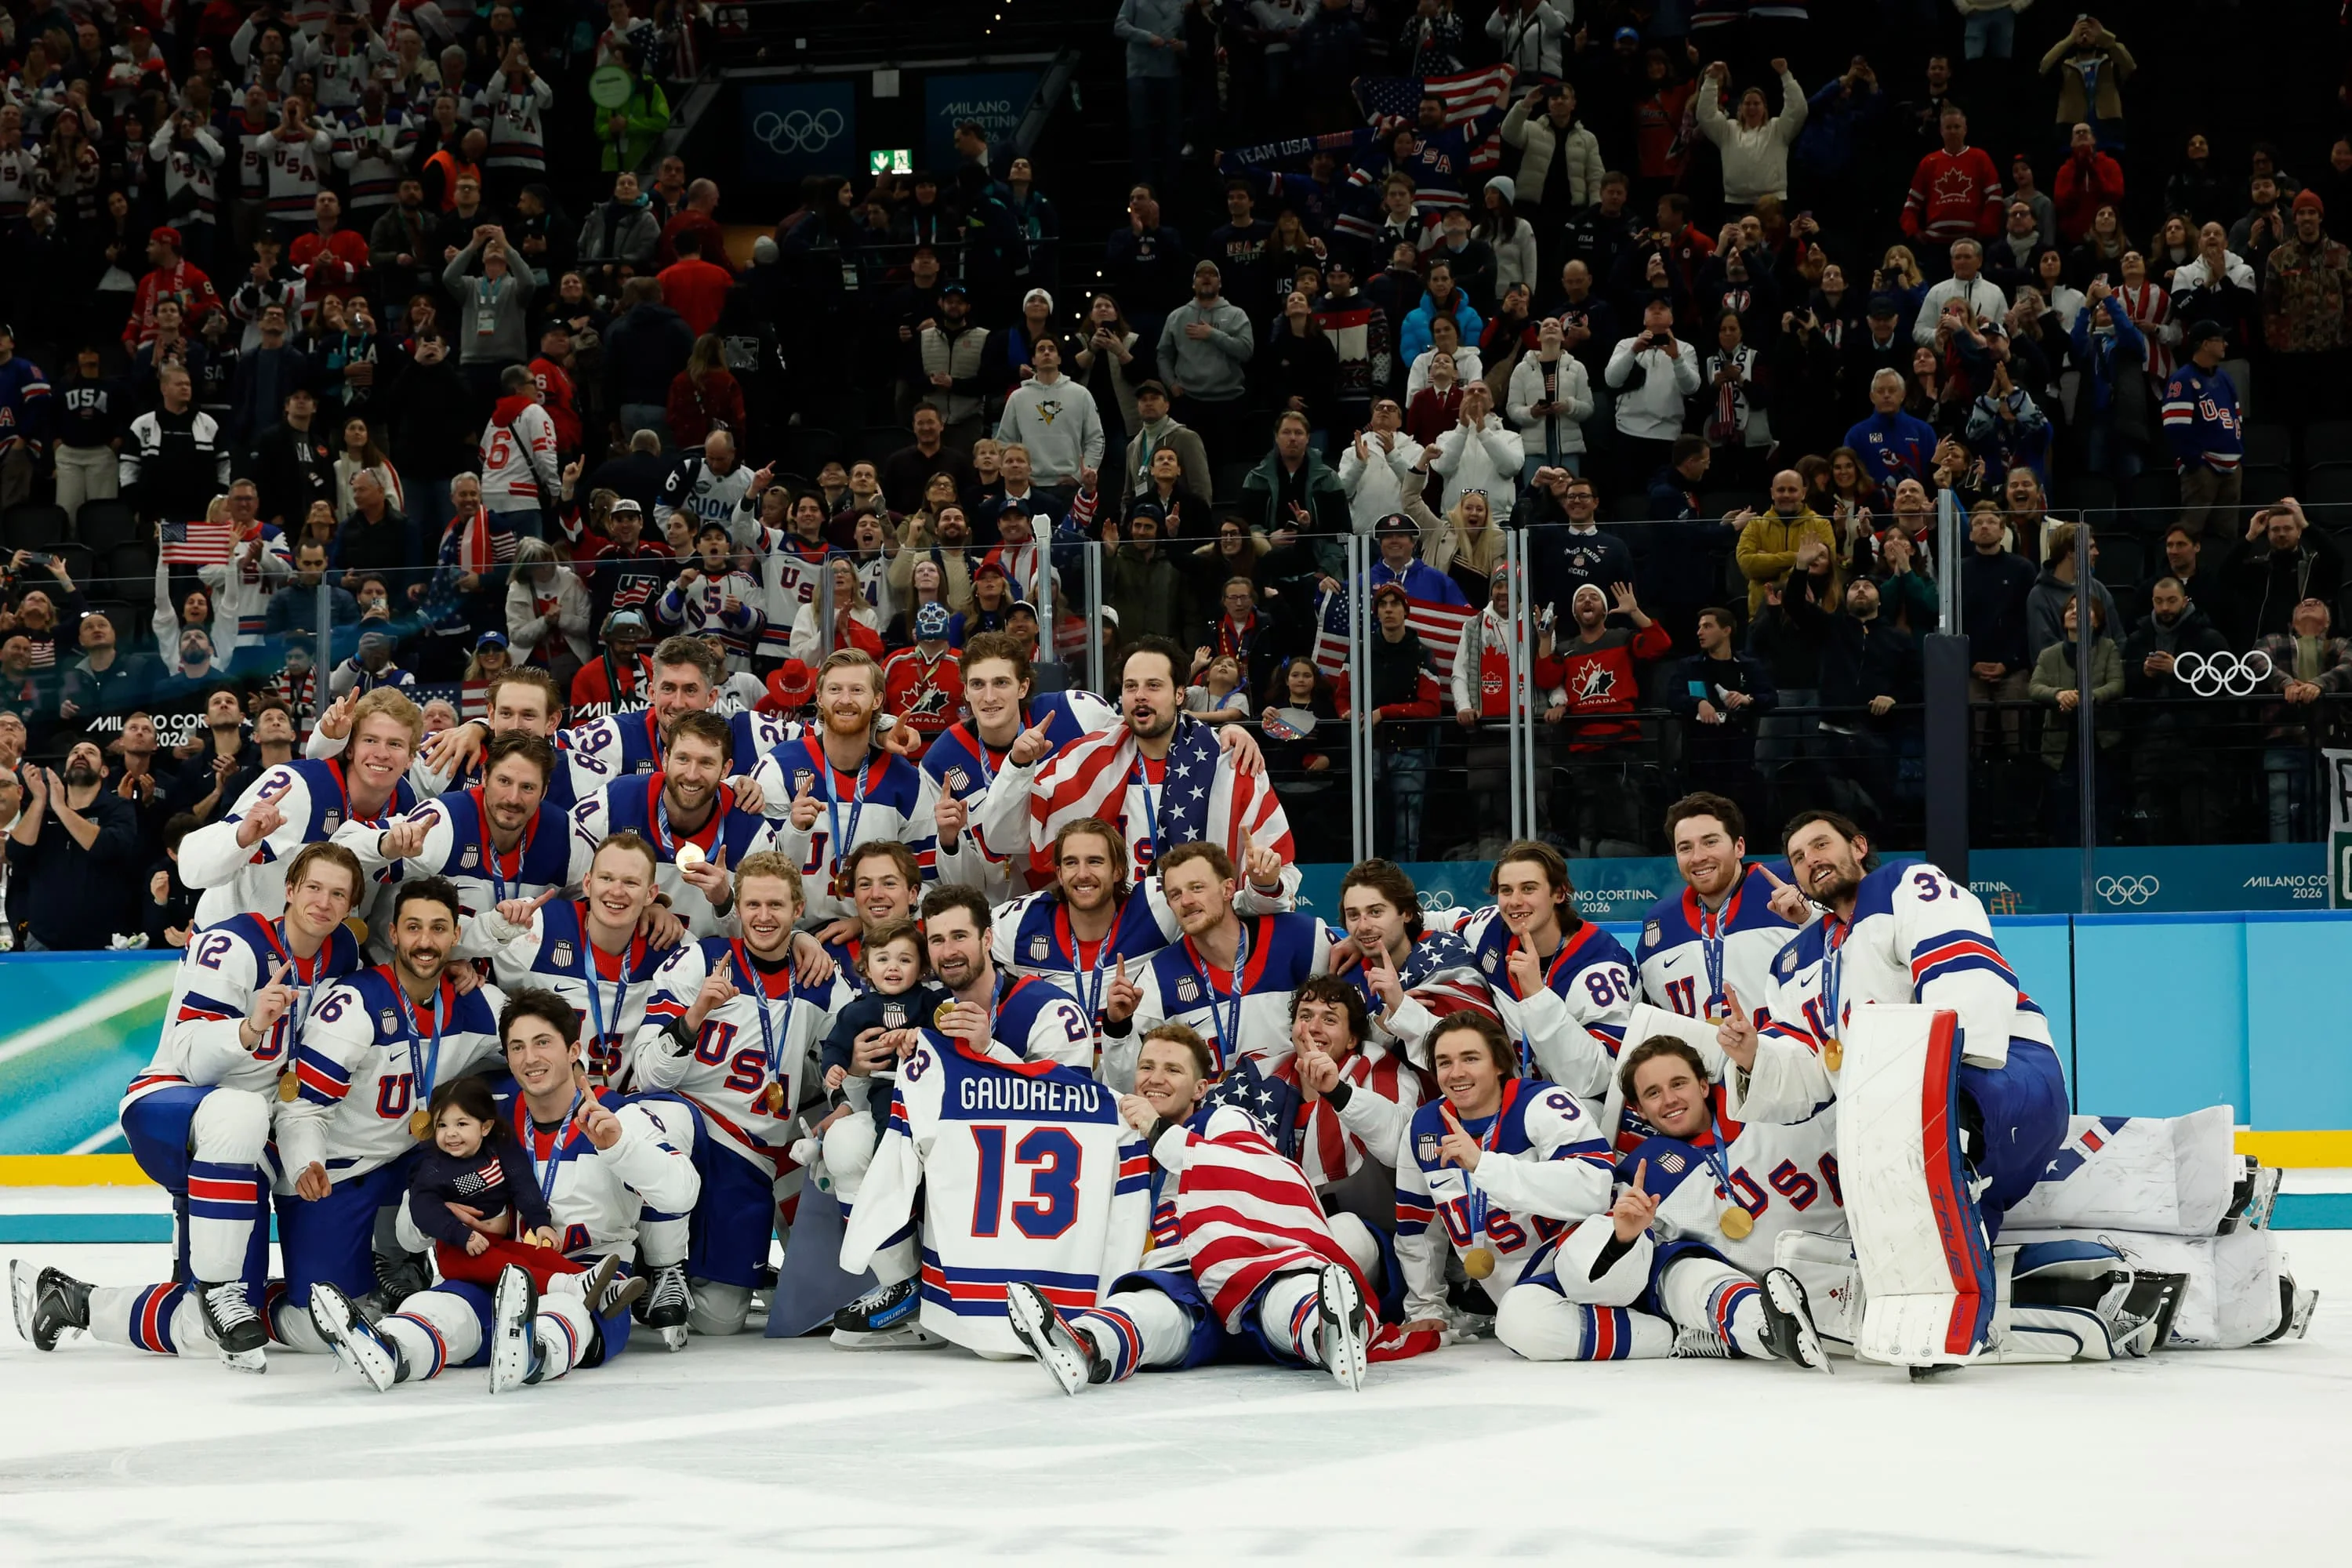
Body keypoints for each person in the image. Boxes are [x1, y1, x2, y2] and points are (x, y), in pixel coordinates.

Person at [1715, 811, 2071, 1362]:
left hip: (2001, 1079)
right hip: (1897, 1120)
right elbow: (1807, 1071)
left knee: (1933, 1141)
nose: (1811, 861)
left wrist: (1915, 1088)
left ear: (1859, 847)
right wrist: (1753, 1054)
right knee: (1917, 1238)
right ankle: (2051, 1312)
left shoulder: (1904, 885)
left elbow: (1963, 977)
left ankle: (1946, 1304)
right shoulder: (1794, 962)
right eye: (1799, 858)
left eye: (1822, 845)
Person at [16, 843, 367, 1368]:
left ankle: (77, 1302)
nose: (324, 902)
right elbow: (188, 1055)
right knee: (238, 1112)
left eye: (338, 894)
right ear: (290, 890)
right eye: (313, 888)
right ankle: (224, 1290)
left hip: (253, 1132)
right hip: (172, 1104)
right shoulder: (235, 944)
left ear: (350, 906)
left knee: (205, 1335)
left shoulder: (341, 953)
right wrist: (249, 1028)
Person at [306, 985, 690, 1393]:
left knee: (563, 1312)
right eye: (517, 1047)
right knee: (436, 1306)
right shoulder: (477, 1125)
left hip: (591, 1277)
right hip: (493, 1267)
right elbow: (408, 1237)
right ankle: (390, 1350)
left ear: (574, 1049)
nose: (530, 1058)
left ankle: (533, 1350)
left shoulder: (618, 1116)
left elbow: (681, 1193)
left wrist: (619, 1148)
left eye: (543, 1043)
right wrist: (439, 1217)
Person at [1005, 1016, 1377, 1394]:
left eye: (1172, 1070)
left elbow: (1244, 1165)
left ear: (1201, 1087)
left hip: (1250, 1263)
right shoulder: (1117, 1141)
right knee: (1149, 1311)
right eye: (1146, 1067)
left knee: (1289, 1292)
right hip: (1180, 1278)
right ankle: (1084, 1347)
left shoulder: (1223, 1118)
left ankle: (1328, 1333)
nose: (1155, 1078)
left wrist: (1157, 1131)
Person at [834, 957, 1147, 1359]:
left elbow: (1063, 1103)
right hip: (974, 1179)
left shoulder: (1049, 1009)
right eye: (938, 939)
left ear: (987, 938)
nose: (949, 949)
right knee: (845, 1142)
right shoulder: (920, 1010)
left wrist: (989, 1050)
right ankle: (905, 1284)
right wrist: (861, 1073)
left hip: (1016, 1200)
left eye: (960, 935)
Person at [630, 852, 860, 1338]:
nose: (762, 916)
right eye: (752, 904)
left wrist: (845, 1104)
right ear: (737, 906)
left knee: (720, 1320)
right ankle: (654, 1268)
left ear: (798, 908)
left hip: (750, 1152)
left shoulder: (818, 978)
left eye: (776, 905)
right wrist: (695, 1015)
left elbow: (856, 1053)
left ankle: (727, 1270)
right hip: (689, 1124)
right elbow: (648, 1075)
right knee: (657, 1120)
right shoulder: (700, 958)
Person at [1531, 1036, 1833, 1367]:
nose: (1669, 1099)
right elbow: (1602, 1286)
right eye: (1653, 1093)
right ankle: (1766, 1329)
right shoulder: (1642, 1175)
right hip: (1764, 1296)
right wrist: (1623, 1239)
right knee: (1674, 1269)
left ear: (1704, 1085)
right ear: (1640, 1111)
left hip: (1848, 1270)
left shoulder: (1775, 1107)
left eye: (1679, 1084)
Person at [1391, 1012, 1615, 1349]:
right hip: (1520, 1299)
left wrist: (1484, 1165)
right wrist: (1425, 1305)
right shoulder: (1423, 1127)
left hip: (1588, 1268)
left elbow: (1594, 1188)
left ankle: (1667, 1336)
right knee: (1520, 1326)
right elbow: (1417, 1227)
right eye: (1444, 1062)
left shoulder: (1542, 1103)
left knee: (1522, 1325)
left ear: (1497, 1063)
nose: (1457, 1073)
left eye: (1470, 1058)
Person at [1026, 637, 1291, 889]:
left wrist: (1263, 884)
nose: (1140, 695)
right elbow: (1006, 835)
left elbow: (1280, 874)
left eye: (1153, 685)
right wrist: (1018, 766)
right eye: (1131, 686)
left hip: (1200, 927)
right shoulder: (1085, 758)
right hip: (1120, 929)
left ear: (1179, 695)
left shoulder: (1231, 762)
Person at [1450, 840, 1638, 1124]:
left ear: (1559, 893)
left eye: (1528, 889)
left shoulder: (1600, 967)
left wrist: (1537, 995)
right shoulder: (1491, 930)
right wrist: (1367, 943)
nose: (1514, 901)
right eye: (1506, 891)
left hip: (1588, 1111)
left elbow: (1595, 1079)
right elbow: (1445, 920)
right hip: (1518, 1097)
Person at [753, 649, 940, 926]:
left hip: (876, 937)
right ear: (819, 697)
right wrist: (794, 831)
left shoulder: (907, 780)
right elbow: (753, 877)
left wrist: (866, 922)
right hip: (789, 936)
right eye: (835, 689)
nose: (845, 700)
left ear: (877, 700)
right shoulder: (778, 767)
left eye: (857, 690)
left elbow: (925, 882)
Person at [404, 1076, 598, 1296]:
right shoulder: (433, 1168)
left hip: (497, 1242)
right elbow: (423, 1209)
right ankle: (568, 1288)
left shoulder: (498, 1147)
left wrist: (540, 1222)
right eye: (442, 1125)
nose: (451, 1133)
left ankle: (596, 1283)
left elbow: (522, 1182)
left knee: (537, 1255)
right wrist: (460, 1234)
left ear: (485, 1127)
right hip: (459, 1250)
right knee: (513, 1268)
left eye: (461, 1124)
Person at [1605, 296, 1700, 485]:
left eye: (1663, 308)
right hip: (1628, 432)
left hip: (1668, 436)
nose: (1657, 311)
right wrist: (1633, 351)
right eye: (1651, 308)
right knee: (1630, 495)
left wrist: (1677, 358)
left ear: (1672, 318)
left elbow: (1691, 388)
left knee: (1663, 495)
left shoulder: (1685, 349)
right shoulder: (1626, 344)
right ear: (1643, 318)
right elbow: (1612, 380)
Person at [2161, 321, 2244, 539]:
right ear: (2206, 344)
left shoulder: (2225, 378)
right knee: (2191, 531)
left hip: (2231, 466)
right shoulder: (2182, 380)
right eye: (2220, 340)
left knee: (2228, 534)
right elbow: (2175, 427)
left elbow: (2237, 417)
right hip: (2203, 469)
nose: (2225, 344)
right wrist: (2196, 463)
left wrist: (2236, 455)